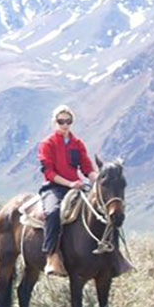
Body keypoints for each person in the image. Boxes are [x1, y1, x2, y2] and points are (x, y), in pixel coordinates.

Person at [38, 104, 97, 277]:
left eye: (68, 121)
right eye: (61, 121)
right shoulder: (47, 143)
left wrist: (97, 178)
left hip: (76, 186)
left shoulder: (77, 144)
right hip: (54, 187)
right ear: (54, 122)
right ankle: (51, 255)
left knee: (99, 210)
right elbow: (48, 172)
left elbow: (86, 166)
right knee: (54, 212)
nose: (64, 125)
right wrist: (69, 183)